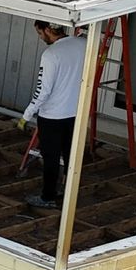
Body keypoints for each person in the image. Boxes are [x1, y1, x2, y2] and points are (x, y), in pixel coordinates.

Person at [23, 20, 89, 210]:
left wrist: (26, 116)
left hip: (52, 116)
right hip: (74, 113)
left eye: (39, 33)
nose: (40, 37)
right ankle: (69, 193)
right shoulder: (82, 44)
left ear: (47, 30)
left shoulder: (51, 55)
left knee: (50, 158)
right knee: (70, 155)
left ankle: (48, 197)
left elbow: (42, 91)